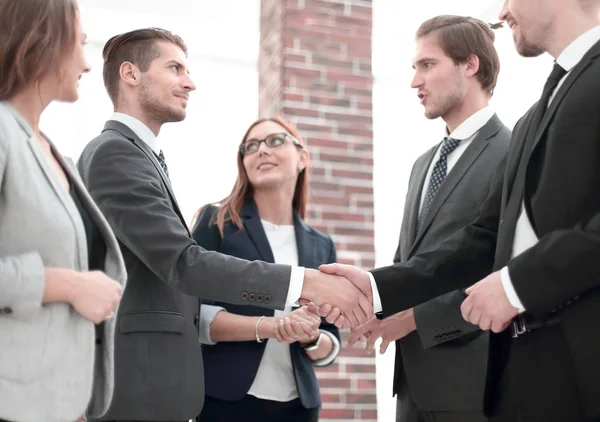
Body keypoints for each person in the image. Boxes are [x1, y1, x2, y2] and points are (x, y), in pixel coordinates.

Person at [322, 0, 600, 420]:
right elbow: (482, 242)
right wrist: (376, 286)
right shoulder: (532, 119)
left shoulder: (510, 138)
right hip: (520, 372)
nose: (503, 12)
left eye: (427, 65)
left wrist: (512, 284)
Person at [77, 28, 369, 422]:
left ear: (303, 158)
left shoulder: (139, 155)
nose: (190, 82)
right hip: (155, 388)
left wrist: (313, 334)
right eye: (175, 68)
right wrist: (304, 286)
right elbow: (185, 265)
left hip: (271, 401)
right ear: (131, 74)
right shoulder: (116, 153)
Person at [349, 15, 510, 422]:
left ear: (469, 65)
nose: (414, 82)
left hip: (475, 381)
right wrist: (369, 302)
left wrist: (415, 319)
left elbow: (504, 267)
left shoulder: (511, 152)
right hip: (411, 383)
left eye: (427, 65)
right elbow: (411, 262)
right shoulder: (423, 164)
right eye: (414, 68)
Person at [0, 1, 125, 421]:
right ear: (43, 39)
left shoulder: (56, 154)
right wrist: (65, 285)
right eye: (82, 45)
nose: (88, 65)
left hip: (61, 403)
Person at [192, 117, 341, 422]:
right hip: (226, 401)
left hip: (300, 407)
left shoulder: (321, 244)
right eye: (251, 146)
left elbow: (329, 342)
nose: (261, 151)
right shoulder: (216, 222)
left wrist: (310, 336)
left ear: (302, 158)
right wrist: (271, 326)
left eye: (275, 141)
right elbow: (195, 316)